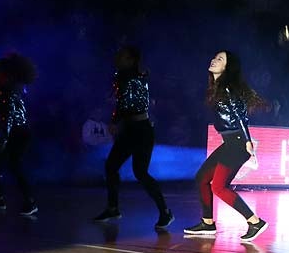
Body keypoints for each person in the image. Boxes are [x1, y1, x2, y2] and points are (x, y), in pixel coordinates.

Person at [183, 51, 268, 241]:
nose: (214, 60)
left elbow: (239, 115)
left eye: (220, 59)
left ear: (227, 68)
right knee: (202, 178)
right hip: (229, 142)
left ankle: (255, 222)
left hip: (237, 142)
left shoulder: (227, 88)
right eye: (214, 57)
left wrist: (247, 140)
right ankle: (207, 222)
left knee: (219, 187)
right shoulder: (218, 87)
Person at [92, 46, 173, 230]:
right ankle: (113, 207)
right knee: (111, 166)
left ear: (131, 59)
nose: (117, 58)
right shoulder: (127, 76)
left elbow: (126, 102)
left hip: (141, 130)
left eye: (122, 56)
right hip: (130, 129)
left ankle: (165, 212)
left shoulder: (130, 77)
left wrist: (114, 120)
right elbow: (123, 101)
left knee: (140, 172)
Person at [0, 53, 38, 216]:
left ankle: (30, 201)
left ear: (7, 75)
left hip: (19, 134)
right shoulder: (5, 90)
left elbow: (10, 117)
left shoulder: (9, 91)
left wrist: (3, 138)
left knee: (14, 165)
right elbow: (6, 118)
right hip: (16, 132)